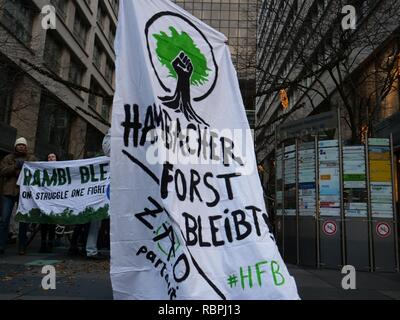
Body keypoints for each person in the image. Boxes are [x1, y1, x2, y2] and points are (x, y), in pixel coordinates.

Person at [0, 137, 36, 255]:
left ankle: (22, 246)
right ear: (15, 146)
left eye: (23, 145)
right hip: (8, 193)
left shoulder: (31, 158)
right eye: (19, 145)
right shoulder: (8, 158)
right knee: (4, 220)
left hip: (23, 194)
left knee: (23, 220)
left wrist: (20, 169)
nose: (21, 146)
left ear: (26, 147)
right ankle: (1, 245)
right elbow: (3, 171)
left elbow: (35, 172)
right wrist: (16, 166)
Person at [38, 153, 58, 253]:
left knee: (52, 222)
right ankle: (43, 243)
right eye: (48, 157)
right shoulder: (42, 169)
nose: (50, 158)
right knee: (44, 222)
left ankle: (50, 243)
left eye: (53, 157)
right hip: (44, 200)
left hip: (54, 200)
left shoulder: (60, 170)